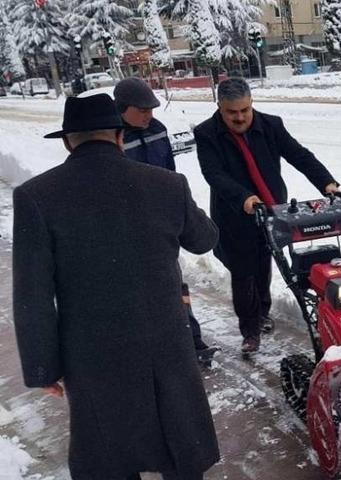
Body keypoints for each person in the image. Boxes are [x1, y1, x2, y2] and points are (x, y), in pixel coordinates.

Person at [13, 93, 220, 479]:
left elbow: (32, 294)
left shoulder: (36, 197)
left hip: (91, 354)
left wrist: (43, 367)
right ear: (120, 136)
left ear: (68, 142)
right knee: (179, 444)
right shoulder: (167, 185)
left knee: (109, 455)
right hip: (166, 343)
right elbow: (204, 239)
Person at [194, 78, 339, 354]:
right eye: (232, 112)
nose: (240, 117)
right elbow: (214, 174)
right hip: (234, 214)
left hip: (271, 209)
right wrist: (244, 198)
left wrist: (327, 183)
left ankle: (263, 312)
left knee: (263, 265)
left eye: (245, 110)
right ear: (219, 107)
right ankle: (249, 330)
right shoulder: (207, 133)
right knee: (242, 271)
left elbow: (299, 155)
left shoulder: (271, 125)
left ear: (252, 103)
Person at [114, 77, 218, 365]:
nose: (148, 115)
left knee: (174, 281)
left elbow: (170, 175)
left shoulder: (158, 130)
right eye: (142, 110)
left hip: (160, 220)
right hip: (128, 225)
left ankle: (192, 341)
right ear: (122, 108)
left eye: (151, 109)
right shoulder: (112, 137)